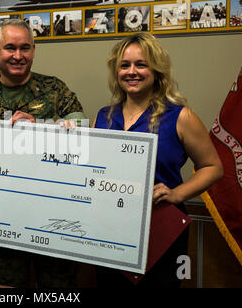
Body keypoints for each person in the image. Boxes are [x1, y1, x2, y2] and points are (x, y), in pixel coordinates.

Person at [93, 32, 223, 288]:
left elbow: (213, 167)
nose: (132, 72)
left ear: (156, 70)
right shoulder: (104, 116)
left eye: (141, 64)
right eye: (124, 65)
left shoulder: (180, 116)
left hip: (162, 229)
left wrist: (176, 194)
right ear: (116, 71)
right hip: (110, 230)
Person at [0, 19, 85, 287]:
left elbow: (82, 136)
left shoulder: (56, 91)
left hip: (54, 219)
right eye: (10, 48)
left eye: (25, 48)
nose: (18, 56)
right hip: (0, 222)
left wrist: (40, 130)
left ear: (34, 50)